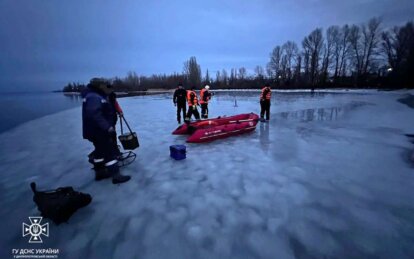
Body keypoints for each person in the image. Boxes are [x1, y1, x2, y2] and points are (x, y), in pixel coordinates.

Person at [82, 78, 131, 184]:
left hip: (95, 131)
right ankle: (116, 176)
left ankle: (99, 172)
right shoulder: (94, 97)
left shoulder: (95, 95)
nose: (107, 87)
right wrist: (107, 127)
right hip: (100, 131)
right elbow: (94, 115)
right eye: (105, 85)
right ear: (99, 86)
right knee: (109, 152)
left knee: (99, 151)